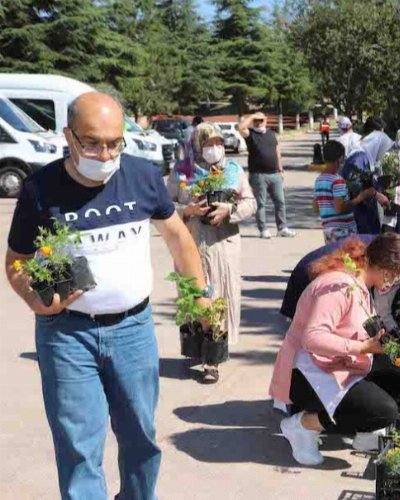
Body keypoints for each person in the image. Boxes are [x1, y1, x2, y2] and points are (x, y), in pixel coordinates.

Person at [4, 92, 210, 498]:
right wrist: (36, 297)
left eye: (115, 142)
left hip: (134, 329)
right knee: (79, 448)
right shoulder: (39, 189)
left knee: (141, 439)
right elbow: (17, 261)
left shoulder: (141, 175)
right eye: (93, 142)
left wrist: (199, 296)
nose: (105, 153)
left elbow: (179, 240)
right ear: (68, 136)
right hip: (66, 335)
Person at [269, 234, 400, 465]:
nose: (397, 281)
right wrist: (361, 347)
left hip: (337, 364)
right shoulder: (339, 286)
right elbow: (313, 338)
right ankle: (303, 425)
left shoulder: (361, 284)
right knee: (384, 412)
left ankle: (365, 428)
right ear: (385, 269)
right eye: (397, 275)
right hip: (307, 375)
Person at [169, 123, 256, 383]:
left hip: (222, 247)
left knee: (217, 298)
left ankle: (212, 361)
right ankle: (198, 348)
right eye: (207, 144)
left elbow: (250, 202)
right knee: (195, 299)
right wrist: (188, 211)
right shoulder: (181, 171)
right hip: (190, 246)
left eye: (217, 143)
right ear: (196, 146)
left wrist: (229, 211)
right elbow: (164, 207)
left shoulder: (232, 170)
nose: (214, 149)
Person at [239, 112, 296, 239]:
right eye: (256, 121)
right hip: (259, 175)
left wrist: (280, 169)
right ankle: (263, 229)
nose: (258, 123)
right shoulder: (251, 134)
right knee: (261, 204)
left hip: (275, 174)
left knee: (280, 202)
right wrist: (252, 116)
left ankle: (282, 228)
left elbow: (277, 152)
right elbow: (241, 128)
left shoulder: (271, 134)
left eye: (261, 120)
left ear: (266, 120)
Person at [313, 140, 378, 243]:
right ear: (339, 159)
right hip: (343, 231)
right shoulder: (337, 180)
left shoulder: (320, 179)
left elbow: (316, 207)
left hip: (328, 229)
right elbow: (340, 208)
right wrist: (361, 197)